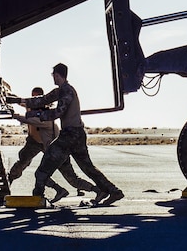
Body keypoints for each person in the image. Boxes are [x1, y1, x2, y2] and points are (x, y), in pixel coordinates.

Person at [15, 63, 123, 206]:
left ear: (57, 75)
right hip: (76, 134)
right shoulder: (61, 90)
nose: (52, 77)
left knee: (45, 166)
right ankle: (113, 191)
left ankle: (38, 197)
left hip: (70, 135)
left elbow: (57, 112)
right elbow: (42, 99)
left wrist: (36, 114)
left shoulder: (67, 91)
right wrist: (18, 101)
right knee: (88, 168)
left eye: (53, 75)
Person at [7, 86, 96, 202]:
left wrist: (14, 115)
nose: (34, 100)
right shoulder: (30, 106)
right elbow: (19, 100)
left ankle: (93, 189)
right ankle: (8, 183)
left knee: (67, 176)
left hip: (50, 146)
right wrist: (6, 94)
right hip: (33, 141)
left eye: (37, 98)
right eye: (33, 97)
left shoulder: (46, 115)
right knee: (21, 163)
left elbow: (28, 120)